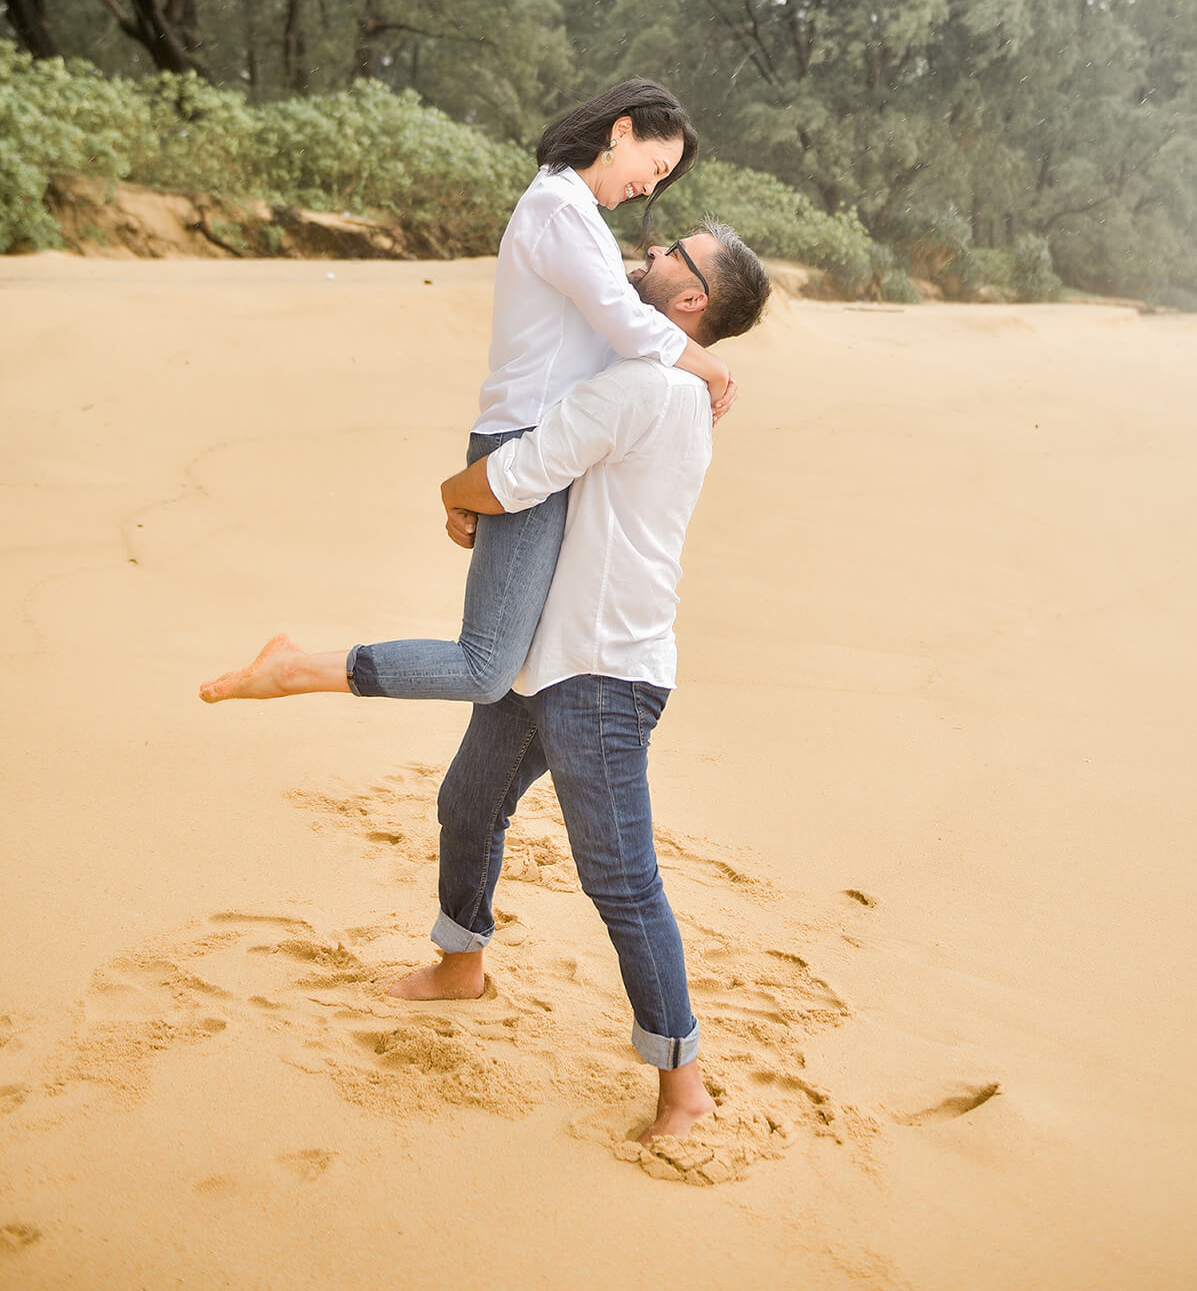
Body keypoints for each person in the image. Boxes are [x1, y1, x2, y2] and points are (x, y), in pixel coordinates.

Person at [201, 222, 771, 1144]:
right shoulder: (659, 382)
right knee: (469, 801)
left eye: (674, 249)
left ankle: (684, 1083)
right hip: (548, 658)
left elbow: (515, 477)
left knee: (622, 881)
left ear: (693, 298)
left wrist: (453, 497)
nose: (653, 247)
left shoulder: (644, 390)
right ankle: (461, 962)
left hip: (603, 676)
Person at [201, 79, 734, 711]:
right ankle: (293, 669)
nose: (652, 186)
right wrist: (711, 367)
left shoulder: (573, 212)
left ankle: (481, 799)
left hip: (541, 441)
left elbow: (610, 328)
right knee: (486, 666)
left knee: (525, 650)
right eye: (657, 166)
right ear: (621, 133)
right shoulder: (560, 207)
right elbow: (623, 319)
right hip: (529, 444)